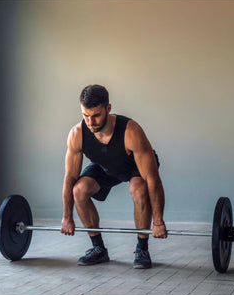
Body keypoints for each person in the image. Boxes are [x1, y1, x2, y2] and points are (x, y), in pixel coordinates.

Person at [60, 84, 166, 269]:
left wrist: (158, 222)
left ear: (108, 108)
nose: (90, 122)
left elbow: (152, 179)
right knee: (79, 190)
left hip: (134, 166)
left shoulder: (130, 131)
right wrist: (67, 217)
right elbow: (70, 177)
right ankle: (98, 248)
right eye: (86, 116)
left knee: (139, 190)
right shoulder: (77, 134)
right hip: (106, 166)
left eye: (96, 115)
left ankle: (142, 248)